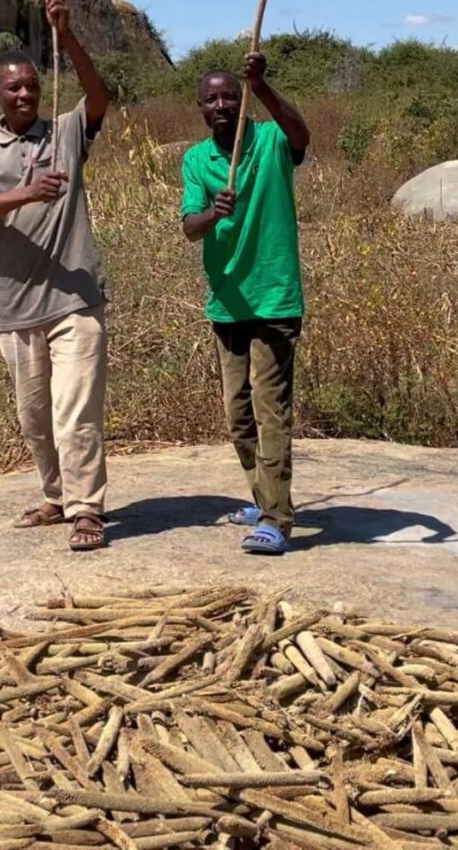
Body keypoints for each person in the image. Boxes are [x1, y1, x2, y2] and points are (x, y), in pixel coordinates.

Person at [0, 0, 112, 551]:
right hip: (15, 303)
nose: (25, 94)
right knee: (35, 416)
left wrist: (66, 35)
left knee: (77, 411)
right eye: (14, 87)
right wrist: (27, 193)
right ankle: (56, 495)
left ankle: (87, 509)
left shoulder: (64, 130)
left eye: (32, 85)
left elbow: (99, 96)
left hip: (75, 298)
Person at [181, 52, 311, 555]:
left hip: (274, 297)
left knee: (270, 408)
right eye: (211, 98)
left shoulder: (272, 140)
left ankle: (277, 519)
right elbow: (190, 229)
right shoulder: (196, 160)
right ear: (199, 107)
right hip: (226, 302)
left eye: (229, 96)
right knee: (239, 416)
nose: (221, 104)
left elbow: (301, 135)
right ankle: (263, 496)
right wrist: (214, 213)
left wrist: (264, 88)